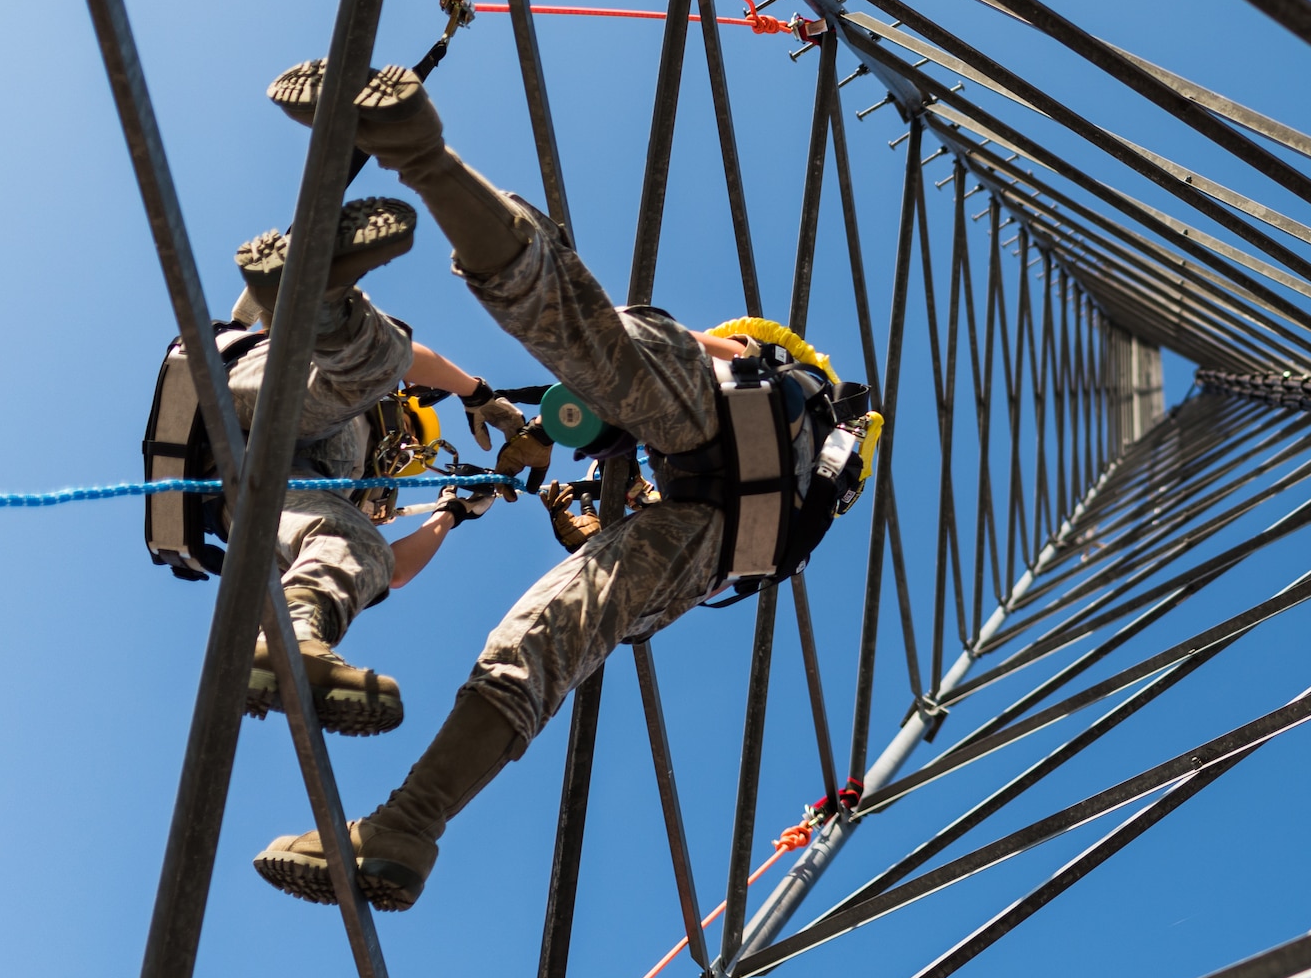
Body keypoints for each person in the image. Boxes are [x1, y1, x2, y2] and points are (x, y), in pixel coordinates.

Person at [252, 59, 875, 910]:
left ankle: (418, 156)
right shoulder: (814, 453)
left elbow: (633, 369)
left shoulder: (765, 357)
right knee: (546, 640)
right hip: (734, 534)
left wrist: (539, 426)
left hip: (732, 432)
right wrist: (561, 477)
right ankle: (408, 828)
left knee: (587, 332)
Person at [229, 193, 526, 735]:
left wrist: (451, 512)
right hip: (266, 399)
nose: (407, 450)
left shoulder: (363, 496)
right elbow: (410, 361)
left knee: (358, 543)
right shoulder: (377, 405)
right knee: (371, 368)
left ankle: (289, 642)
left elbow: (395, 569)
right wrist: (476, 392)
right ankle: (313, 298)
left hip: (268, 492)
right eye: (411, 436)